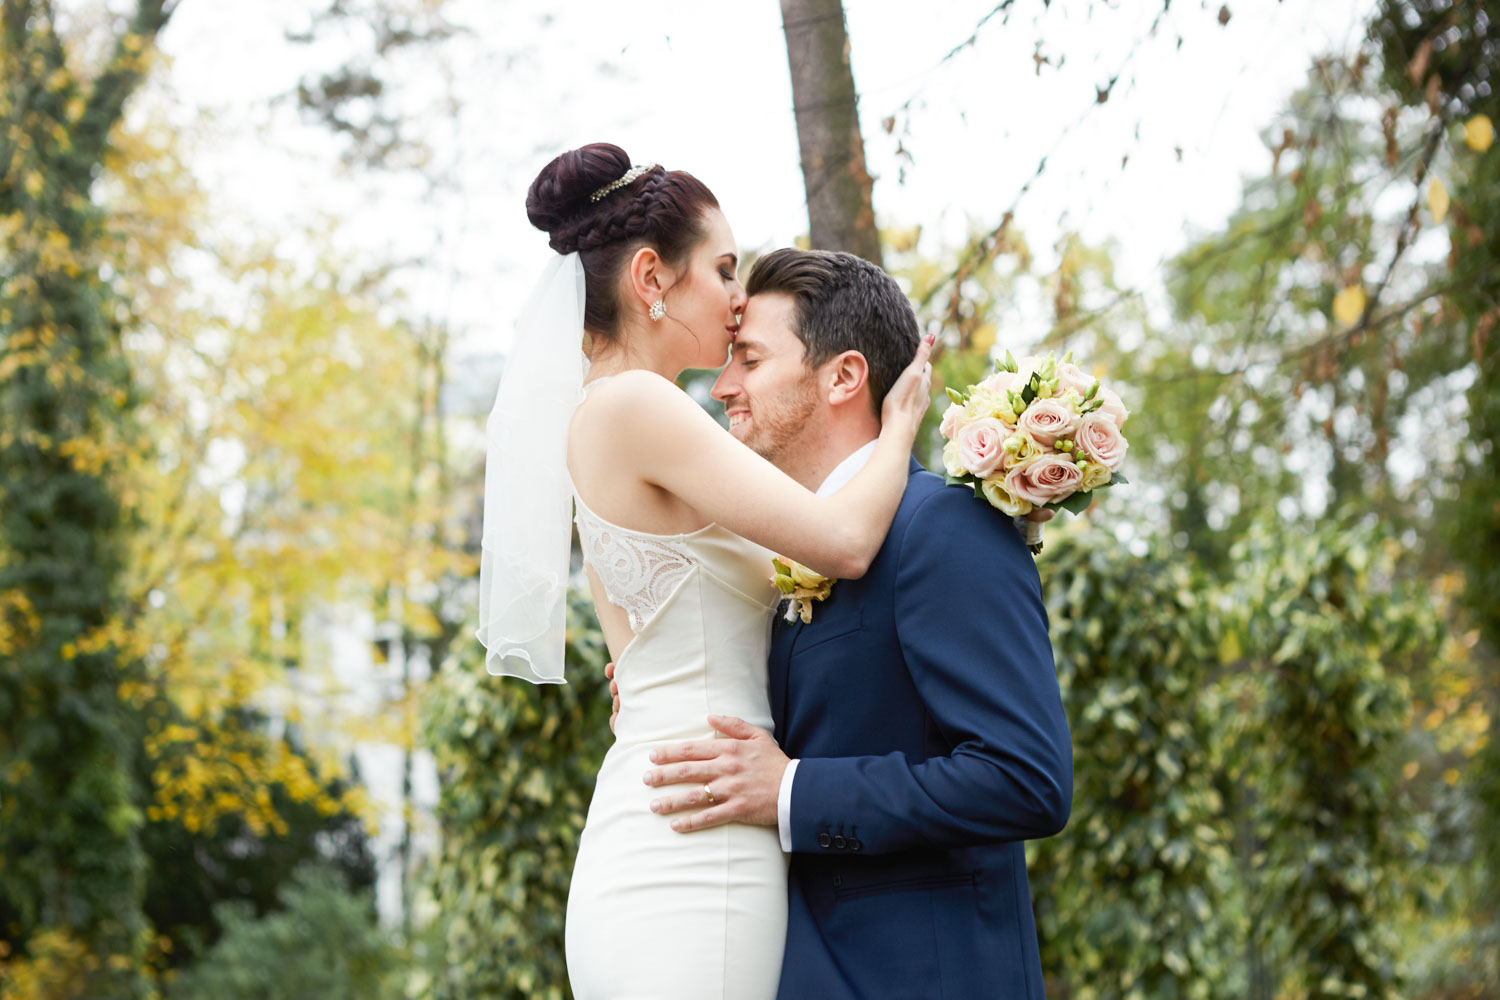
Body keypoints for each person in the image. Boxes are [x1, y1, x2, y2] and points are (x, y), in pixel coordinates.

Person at [476, 144, 935, 1000]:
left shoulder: (608, 414)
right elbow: (841, 543)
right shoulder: (637, 405)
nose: (737, 299)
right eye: (723, 270)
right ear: (651, 278)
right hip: (697, 843)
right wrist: (903, 420)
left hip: (675, 811)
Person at [639, 249, 1073, 999]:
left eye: (749, 358)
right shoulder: (785, 553)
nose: (724, 385)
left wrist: (792, 791)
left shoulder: (943, 526)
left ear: (843, 376)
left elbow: (1025, 778)